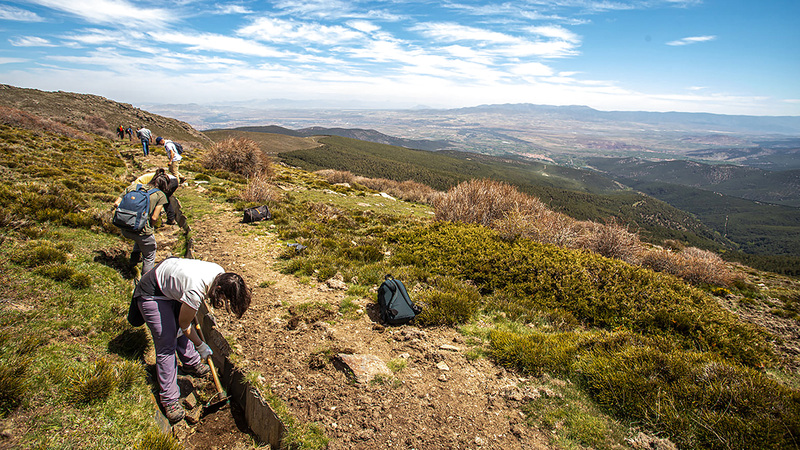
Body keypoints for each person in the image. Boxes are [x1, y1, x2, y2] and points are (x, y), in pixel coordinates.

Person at [132, 257, 251, 422]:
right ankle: (169, 399)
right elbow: (184, 325)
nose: (224, 302)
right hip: (152, 292)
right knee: (167, 343)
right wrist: (201, 345)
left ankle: (191, 363)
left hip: (170, 283)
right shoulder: (195, 290)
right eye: (225, 299)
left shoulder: (219, 272)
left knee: (180, 326)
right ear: (219, 287)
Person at [112, 175, 169, 274]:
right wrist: (150, 225)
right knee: (149, 255)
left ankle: (133, 262)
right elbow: (154, 217)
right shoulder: (160, 195)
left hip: (125, 228)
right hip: (143, 231)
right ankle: (145, 281)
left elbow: (116, 203)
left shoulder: (133, 187)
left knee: (138, 240)